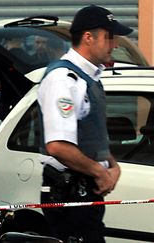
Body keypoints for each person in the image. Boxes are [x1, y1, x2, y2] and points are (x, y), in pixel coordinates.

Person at [37, 5, 131, 242]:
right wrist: (100, 173)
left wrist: (111, 164)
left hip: (84, 191)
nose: (115, 44)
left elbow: (89, 134)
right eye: (110, 37)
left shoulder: (88, 77)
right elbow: (58, 146)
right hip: (70, 194)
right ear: (88, 37)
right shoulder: (64, 80)